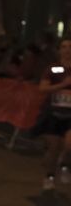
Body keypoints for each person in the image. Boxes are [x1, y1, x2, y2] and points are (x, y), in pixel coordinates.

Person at [32, 38, 71, 191]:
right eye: (64, 47)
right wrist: (63, 85)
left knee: (69, 145)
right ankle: (49, 176)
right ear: (59, 50)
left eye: (70, 47)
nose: (67, 50)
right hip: (53, 114)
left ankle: (65, 165)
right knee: (54, 149)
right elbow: (42, 88)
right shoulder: (54, 69)